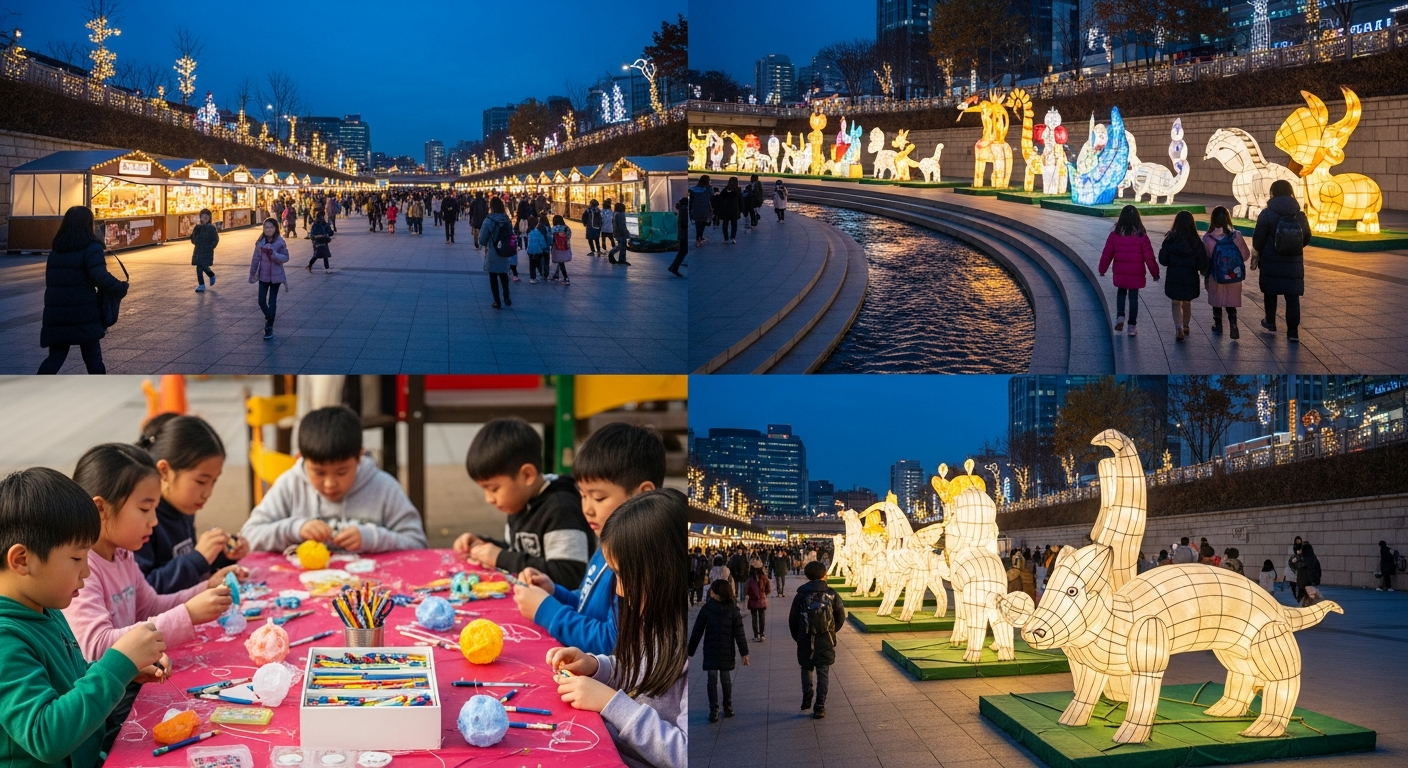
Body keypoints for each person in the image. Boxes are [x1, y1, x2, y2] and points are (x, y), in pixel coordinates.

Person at [66, 444, 234, 751]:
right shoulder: (82, 566)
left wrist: (204, 591)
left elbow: (150, 606)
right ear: (100, 509)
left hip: (131, 686)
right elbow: (95, 646)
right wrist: (188, 614)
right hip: (106, 711)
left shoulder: (122, 554)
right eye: (144, 509)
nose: (154, 521)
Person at [0, 467, 169, 768]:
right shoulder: (6, 639)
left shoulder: (47, 607)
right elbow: (46, 735)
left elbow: (68, 679)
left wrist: (126, 668)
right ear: (22, 560)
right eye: (77, 558)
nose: (87, 571)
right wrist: (116, 667)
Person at [549, 490, 688, 768]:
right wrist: (596, 667)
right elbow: (641, 671)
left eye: (625, 574)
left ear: (665, 571)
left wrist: (610, 703)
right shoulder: (652, 617)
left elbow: (683, 753)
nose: (620, 591)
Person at [514, 423, 665, 656]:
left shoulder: (640, 561)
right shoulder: (609, 539)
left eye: (598, 497)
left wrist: (545, 610)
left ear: (642, 494)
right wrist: (554, 592)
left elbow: (613, 643)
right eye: (583, 495)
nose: (587, 509)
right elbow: (588, 605)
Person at [240, 406, 427, 553]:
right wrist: (295, 528)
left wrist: (373, 538)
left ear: (359, 456)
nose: (330, 483)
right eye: (319, 473)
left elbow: (417, 543)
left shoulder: (384, 487)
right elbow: (248, 537)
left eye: (342, 472)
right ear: (301, 458)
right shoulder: (290, 484)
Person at [453, 417, 593, 590]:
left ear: (527, 475)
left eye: (494, 488)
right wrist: (484, 545)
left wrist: (500, 557)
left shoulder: (561, 508)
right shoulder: (521, 500)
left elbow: (569, 575)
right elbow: (517, 550)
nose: (488, 499)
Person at [134, 415, 248, 593]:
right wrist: (199, 557)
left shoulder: (183, 508)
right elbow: (145, 591)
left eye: (214, 482)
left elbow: (186, 566)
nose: (208, 493)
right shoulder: (141, 518)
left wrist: (222, 555)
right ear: (164, 471)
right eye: (201, 481)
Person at [37, 206, 126, 374]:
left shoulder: (57, 248)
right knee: (93, 358)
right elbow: (99, 276)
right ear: (88, 224)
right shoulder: (91, 247)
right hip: (83, 311)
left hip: (57, 312)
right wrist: (119, 287)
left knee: (55, 357)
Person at [1253, 179, 1311, 342]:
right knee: (1292, 296)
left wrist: (1260, 251)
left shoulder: (1267, 214)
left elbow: (1258, 238)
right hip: (1293, 262)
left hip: (1271, 260)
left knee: (1270, 292)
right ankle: (1292, 331)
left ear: (1273, 193)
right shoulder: (1299, 214)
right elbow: (1306, 237)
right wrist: (1293, 246)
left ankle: (1270, 322)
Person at [789, 560, 845, 719]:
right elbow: (840, 617)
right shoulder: (832, 594)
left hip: (805, 640)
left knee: (806, 668)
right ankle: (820, 706)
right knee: (823, 672)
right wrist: (831, 631)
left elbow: (793, 620)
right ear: (824, 575)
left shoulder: (801, 595)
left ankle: (807, 692)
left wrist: (799, 637)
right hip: (825, 640)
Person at [689, 579, 748, 723]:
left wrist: (690, 651)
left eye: (712, 590)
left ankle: (714, 709)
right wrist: (744, 653)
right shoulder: (733, 609)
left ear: (716, 593)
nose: (710, 592)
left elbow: (697, 631)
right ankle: (727, 707)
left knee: (713, 680)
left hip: (711, 650)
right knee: (725, 679)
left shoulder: (707, 608)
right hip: (726, 649)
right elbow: (739, 633)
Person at [1098, 205, 1159, 336]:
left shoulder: (1115, 235)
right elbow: (1149, 257)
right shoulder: (1142, 236)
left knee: (1121, 292)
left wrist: (1102, 269)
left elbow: (1107, 254)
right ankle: (1132, 326)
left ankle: (1120, 316)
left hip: (1120, 271)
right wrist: (1155, 273)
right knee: (1133, 298)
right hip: (1136, 273)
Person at [1157, 210, 1207, 343]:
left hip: (1174, 276)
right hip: (1190, 277)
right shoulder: (1196, 241)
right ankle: (1185, 326)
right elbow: (1202, 262)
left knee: (1175, 302)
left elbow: (1163, 259)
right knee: (1186, 302)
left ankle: (1178, 327)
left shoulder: (1170, 239)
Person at [1201, 205, 1249, 339]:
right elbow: (1245, 255)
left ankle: (1218, 325)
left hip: (1216, 276)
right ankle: (1233, 325)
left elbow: (1205, 259)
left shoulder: (1208, 238)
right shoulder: (1236, 235)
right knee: (1230, 302)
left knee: (1217, 301)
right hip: (1233, 276)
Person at [249, 218, 290, 341]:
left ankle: (269, 327)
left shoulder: (280, 242)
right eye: (266, 227)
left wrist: (274, 255)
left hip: (276, 277)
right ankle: (269, 317)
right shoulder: (260, 243)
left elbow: (286, 257)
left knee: (272, 301)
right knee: (261, 301)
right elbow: (255, 259)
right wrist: (252, 273)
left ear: (275, 229)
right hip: (263, 276)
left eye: (271, 227)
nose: (268, 230)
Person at [478, 197, 514, 309]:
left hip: (493, 251)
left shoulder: (489, 220)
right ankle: (506, 297)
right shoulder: (507, 219)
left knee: (493, 276)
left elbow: (482, 239)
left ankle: (497, 301)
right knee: (504, 275)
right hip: (505, 251)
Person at [190, 208, 219, 293]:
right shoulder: (197, 227)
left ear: (209, 218)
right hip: (198, 250)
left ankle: (211, 275)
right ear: (200, 217)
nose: (205, 218)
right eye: (203, 216)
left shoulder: (211, 228)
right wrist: (196, 241)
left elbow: (215, 239)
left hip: (207, 251)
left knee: (203, 265)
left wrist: (211, 246)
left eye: (207, 216)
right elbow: (192, 238)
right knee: (199, 267)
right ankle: (201, 284)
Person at [745, 565, 770, 642]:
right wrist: (763, 594)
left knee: (754, 618)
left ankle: (756, 635)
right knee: (762, 618)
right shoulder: (764, 577)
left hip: (753, 601)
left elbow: (746, 591)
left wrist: (751, 595)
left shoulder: (749, 580)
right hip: (762, 601)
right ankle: (761, 634)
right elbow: (768, 589)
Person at [307, 209, 335, 273]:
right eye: (320, 216)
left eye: (322, 216)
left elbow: (330, 233)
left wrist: (329, 230)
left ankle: (327, 267)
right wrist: (320, 236)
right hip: (317, 243)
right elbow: (312, 236)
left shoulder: (324, 224)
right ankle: (310, 265)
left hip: (324, 241)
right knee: (316, 255)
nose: (322, 218)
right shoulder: (315, 225)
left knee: (325, 254)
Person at [689, 176, 713, 246]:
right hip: (705, 209)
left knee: (697, 224)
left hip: (696, 208)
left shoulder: (694, 189)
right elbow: (712, 197)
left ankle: (698, 238)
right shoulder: (709, 188)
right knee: (703, 223)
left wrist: (690, 210)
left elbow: (691, 200)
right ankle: (699, 238)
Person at [717, 178, 742, 244]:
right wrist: (741, 209)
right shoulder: (738, 190)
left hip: (725, 209)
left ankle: (726, 238)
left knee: (725, 223)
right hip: (734, 209)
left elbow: (720, 199)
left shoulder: (725, 190)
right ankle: (733, 238)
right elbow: (740, 200)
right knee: (734, 224)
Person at [550, 214, 573, 285]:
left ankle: (566, 278)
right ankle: (556, 275)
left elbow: (551, 238)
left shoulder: (554, 228)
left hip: (556, 247)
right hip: (565, 247)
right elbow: (569, 236)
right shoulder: (567, 228)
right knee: (560, 262)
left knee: (560, 262)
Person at [525, 215, 549, 284]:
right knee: (539, 264)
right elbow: (542, 241)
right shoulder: (538, 232)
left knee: (531, 265)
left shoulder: (528, 232)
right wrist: (544, 247)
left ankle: (532, 278)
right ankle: (542, 275)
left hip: (530, 251)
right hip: (538, 251)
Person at [669, 195, 687, 277]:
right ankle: (674, 267)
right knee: (683, 251)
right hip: (684, 235)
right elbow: (684, 224)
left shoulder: (682, 210)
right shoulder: (684, 211)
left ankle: (674, 267)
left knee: (682, 251)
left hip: (682, 235)